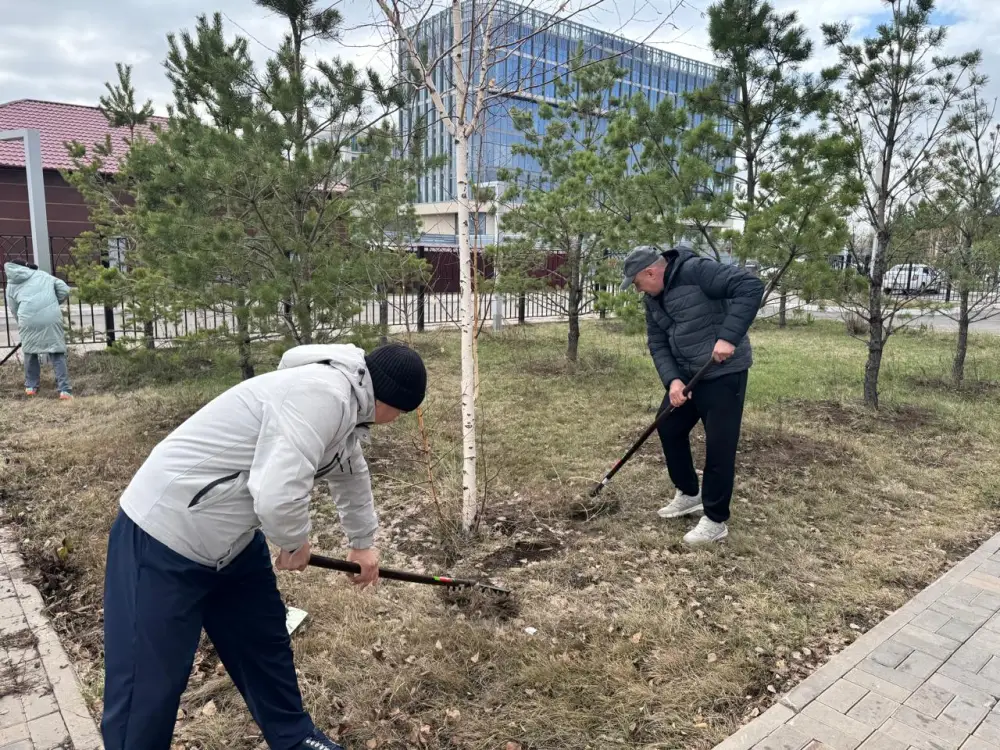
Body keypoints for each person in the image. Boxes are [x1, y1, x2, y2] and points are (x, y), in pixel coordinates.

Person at [100, 342, 428, 750]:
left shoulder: (349, 406)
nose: (394, 422)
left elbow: (350, 471)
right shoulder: (322, 393)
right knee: (148, 682)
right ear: (388, 399)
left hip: (232, 543)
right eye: (399, 412)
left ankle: (296, 739)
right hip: (164, 535)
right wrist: (295, 543)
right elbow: (276, 495)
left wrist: (363, 544)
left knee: (263, 645)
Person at [620, 243, 764, 546]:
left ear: (651, 271)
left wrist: (728, 337)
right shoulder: (652, 299)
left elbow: (750, 286)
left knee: (719, 446)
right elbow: (657, 343)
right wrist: (672, 381)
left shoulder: (696, 271)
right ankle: (688, 493)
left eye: (637, 283)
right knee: (669, 426)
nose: (637, 290)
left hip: (723, 372)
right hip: (686, 377)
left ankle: (715, 519)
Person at [3, 259, 73, 399]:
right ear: (27, 266)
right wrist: (52, 303)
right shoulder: (42, 275)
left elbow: (13, 308)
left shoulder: (11, 284)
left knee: (30, 352)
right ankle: (64, 390)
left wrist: (22, 322)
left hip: (27, 319)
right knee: (56, 352)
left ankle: (31, 387)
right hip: (50, 317)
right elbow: (64, 290)